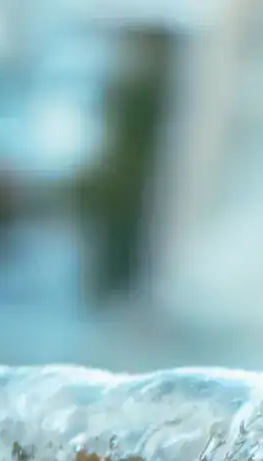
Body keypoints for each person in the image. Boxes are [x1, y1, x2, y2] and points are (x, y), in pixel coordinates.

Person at [81, 24, 177, 305]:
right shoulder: (129, 93)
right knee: (117, 240)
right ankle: (112, 289)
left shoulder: (142, 94)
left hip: (134, 187)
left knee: (123, 241)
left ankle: (115, 288)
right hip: (125, 186)